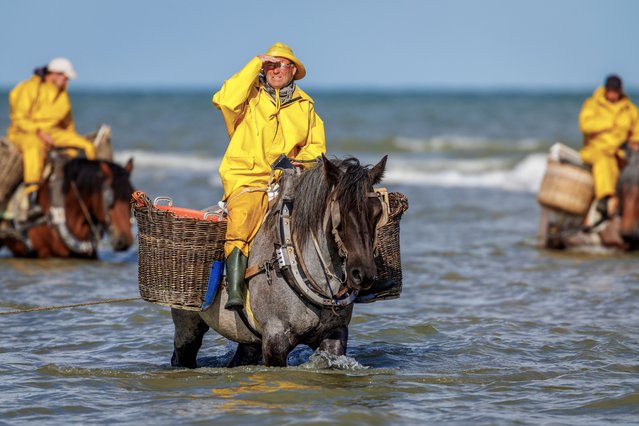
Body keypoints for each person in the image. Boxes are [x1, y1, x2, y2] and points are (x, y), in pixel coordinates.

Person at [212, 42, 326, 310]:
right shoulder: (248, 97)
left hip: (288, 179)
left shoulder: (305, 105)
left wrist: (299, 162)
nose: (275, 70)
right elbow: (224, 99)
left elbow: (316, 147)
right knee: (242, 217)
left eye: (281, 65)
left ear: (293, 70)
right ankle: (236, 289)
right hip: (247, 177)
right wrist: (254, 63)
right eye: (270, 65)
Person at [6, 57, 97, 218]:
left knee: (85, 146)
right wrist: (39, 132)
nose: (66, 81)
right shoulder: (28, 88)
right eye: (64, 77)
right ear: (53, 74)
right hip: (25, 133)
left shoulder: (63, 94)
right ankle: (32, 197)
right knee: (35, 146)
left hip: (53, 133)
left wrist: (72, 140)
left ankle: (89, 188)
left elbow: (68, 124)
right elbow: (19, 118)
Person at [579, 74, 639, 218]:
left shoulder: (629, 109)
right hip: (596, 150)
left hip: (620, 152)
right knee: (604, 160)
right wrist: (609, 125)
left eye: (615, 91)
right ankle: (605, 199)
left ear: (620, 90)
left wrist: (635, 142)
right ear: (605, 90)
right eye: (610, 91)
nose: (612, 94)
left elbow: (637, 130)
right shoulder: (593, 104)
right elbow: (585, 125)